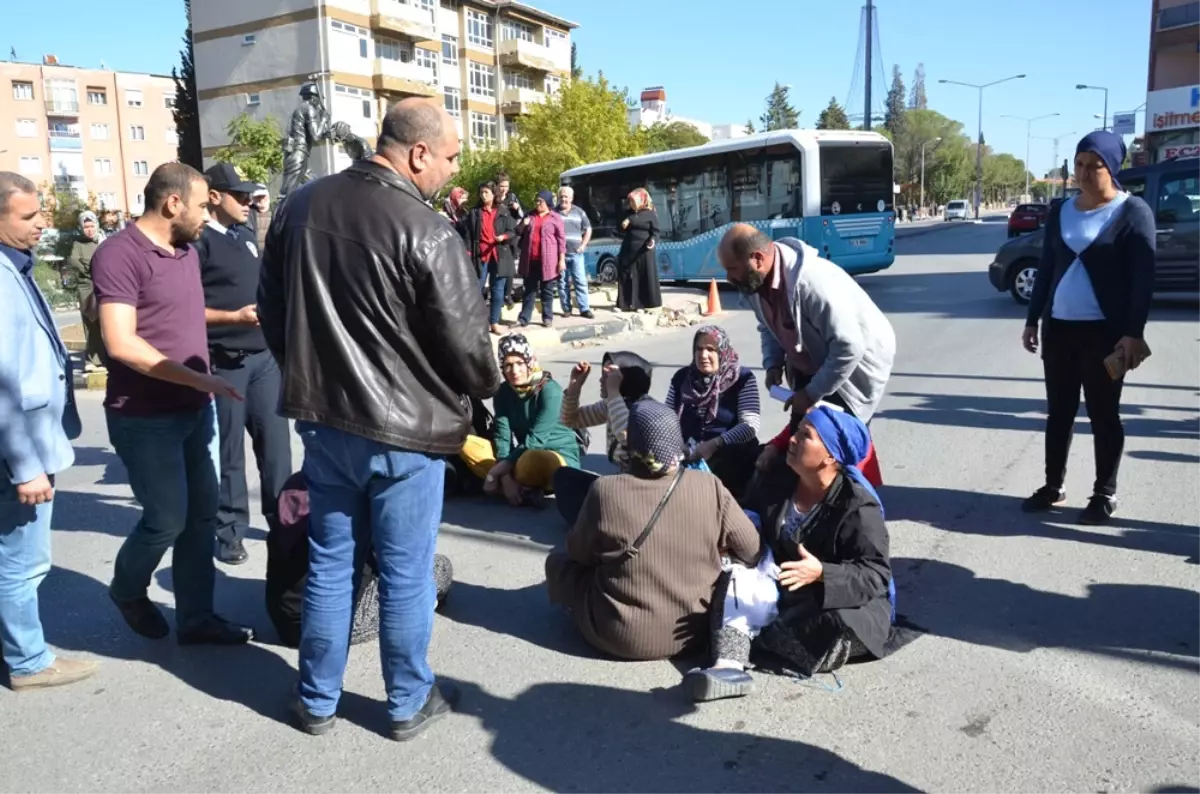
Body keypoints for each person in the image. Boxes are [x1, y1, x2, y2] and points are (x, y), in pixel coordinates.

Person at [259, 98, 501, 740]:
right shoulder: (426, 229)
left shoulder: (299, 208)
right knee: (404, 572)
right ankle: (406, 702)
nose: (452, 170)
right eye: (450, 157)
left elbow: (272, 309)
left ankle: (315, 700)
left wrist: (306, 379)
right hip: (406, 435)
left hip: (325, 425)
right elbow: (469, 343)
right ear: (418, 152)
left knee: (332, 563)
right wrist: (486, 390)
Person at [91, 163, 253, 647]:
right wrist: (196, 377)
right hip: (144, 417)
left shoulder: (183, 252)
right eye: (203, 205)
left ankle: (197, 618)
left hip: (193, 410)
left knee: (201, 519)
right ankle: (126, 588)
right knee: (167, 518)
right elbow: (121, 342)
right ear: (173, 203)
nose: (208, 215)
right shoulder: (118, 255)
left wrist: (233, 316)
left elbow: (181, 311)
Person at [684, 405, 894, 702]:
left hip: (832, 597)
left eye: (805, 435)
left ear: (830, 456)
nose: (792, 439)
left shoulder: (858, 507)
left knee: (831, 626)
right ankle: (728, 669)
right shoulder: (781, 477)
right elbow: (753, 510)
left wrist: (822, 572)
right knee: (739, 576)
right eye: (796, 431)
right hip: (782, 580)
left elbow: (876, 575)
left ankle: (757, 637)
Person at [545, 399, 761, 661]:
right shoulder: (709, 485)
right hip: (692, 635)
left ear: (631, 443)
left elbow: (578, 553)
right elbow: (751, 550)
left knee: (557, 564)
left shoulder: (606, 490)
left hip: (619, 635)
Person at [1021, 131, 1156, 525]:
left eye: (1093, 166)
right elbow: (1046, 268)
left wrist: (1133, 332)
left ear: (1113, 168)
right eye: (1078, 164)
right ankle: (1053, 486)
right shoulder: (1061, 210)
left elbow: (1142, 280)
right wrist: (1033, 320)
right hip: (1060, 330)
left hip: (1106, 335)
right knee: (1058, 413)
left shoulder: (1133, 213)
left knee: (1103, 415)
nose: (1083, 173)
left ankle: (1104, 493)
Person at [0, 172, 94, 691]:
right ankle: (29, 661)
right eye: (29, 217)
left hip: (27, 443)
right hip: (22, 449)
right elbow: (2, 384)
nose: (42, 225)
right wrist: (26, 464)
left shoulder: (15, 267)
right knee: (23, 559)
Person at [717, 224, 895, 468]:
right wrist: (773, 364)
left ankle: (853, 501)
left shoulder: (810, 283)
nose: (728, 278)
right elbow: (769, 326)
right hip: (812, 363)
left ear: (758, 259)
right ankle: (806, 498)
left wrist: (811, 394)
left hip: (853, 369)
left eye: (731, 269)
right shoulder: (754, 282)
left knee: (834, 453)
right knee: (802, 446)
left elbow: (850, 348)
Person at [196, 163, 292, 565]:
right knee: (230, 451)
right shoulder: (199, 244)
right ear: (214, 197)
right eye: (239, 196)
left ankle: (286, 524)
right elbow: (186, 309)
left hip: (264, 358)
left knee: (277, 450)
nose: (247, 202)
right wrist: (233, 319)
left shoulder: (246, 235)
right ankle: (230, 531)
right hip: (226, 361)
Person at [265, 472, 454, 648]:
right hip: (331, 627)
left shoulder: (296, 484)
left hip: (283, 618)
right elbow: (393, 565)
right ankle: (424, 605)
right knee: (440, 567)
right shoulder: (355, 498)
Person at [460, 334, 579, 508]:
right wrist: (506, 477)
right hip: (520, 457)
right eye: (508, 365)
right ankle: (520, 490)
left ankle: (507, 486)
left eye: (519, 364)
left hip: (554, 458)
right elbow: (502, 435)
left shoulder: (550, 390)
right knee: (464, 442)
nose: (514, 371)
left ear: (530, 362)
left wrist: (496, 471)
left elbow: (537, 441)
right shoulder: (503, 393)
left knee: (531, 459)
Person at [553, 350, 654, 525]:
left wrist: (613, 392)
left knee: (602, 492)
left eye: (609, 376)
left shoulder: (647, 409)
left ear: (625, 378)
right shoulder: (612, 404)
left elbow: (626, 436)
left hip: (644, 494)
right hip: (621, 485)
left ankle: (602, 527)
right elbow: (570, 420)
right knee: (564, 478)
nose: (601, 381)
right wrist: (575, 386)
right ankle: (598, 524)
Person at [665, 325, 761, 499]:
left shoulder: (742, 379)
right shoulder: (681, 378)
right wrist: (681, 448)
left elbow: (750, 426)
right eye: (699, 349)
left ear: (722, 351)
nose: (703, 355)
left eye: (711, 349)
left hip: (730, 460)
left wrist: (714, 444)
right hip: (687, 457)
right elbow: (667, 419)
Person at [462, 181, 518, 334]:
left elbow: (513, 231)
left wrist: (504, 237)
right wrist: (468, 252)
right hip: (480, 255)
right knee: (476, 289)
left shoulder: (503, 211)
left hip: (499, 254)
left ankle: (494, 322)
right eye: (481, 192)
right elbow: (467, 235)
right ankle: (478, 322)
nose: (483, 195)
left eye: (486, 192)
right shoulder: (475, 213)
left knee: (498, 290)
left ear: (494, 194)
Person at [64, 210, 106, 370]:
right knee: (90, 324)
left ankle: (106, 358)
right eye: (86, 226)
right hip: (87, 289)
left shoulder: (104, 241)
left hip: (103, 287)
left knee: (106, 324)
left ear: (97, 225)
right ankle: (91, 359)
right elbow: (73, 259)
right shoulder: (78, 244)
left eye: (92, 225)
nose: (89, 229)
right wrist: (88, 267)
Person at [517, 190, 566, 328]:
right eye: (537, 201)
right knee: (529, 290)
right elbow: (518, 231)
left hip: (549, 261)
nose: (538, 203)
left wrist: (561, 260)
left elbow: (562, 241)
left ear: (548, 203)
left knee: (547, 291)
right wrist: (523, 224)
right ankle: (524, 318)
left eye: (541, 201)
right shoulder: (530, 215)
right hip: (530, 260)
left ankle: (547, 317)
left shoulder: (555, 218)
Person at [616, 188, 662, 312]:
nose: (632, 205)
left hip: (644, 249)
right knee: (625, 274)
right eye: (630, 202)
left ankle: (642, 304)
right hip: (628, 248)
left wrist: (652, 240)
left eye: (634, 202)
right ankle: (624, 303)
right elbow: (618, 230)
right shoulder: (628, 213)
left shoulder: (650, 213)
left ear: (642, 201)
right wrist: (624, 224)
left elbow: (656, 232)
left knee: (642, 276)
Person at [556, 185, 593, 318]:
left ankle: (584, 309)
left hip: (576, 253)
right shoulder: (553, 213)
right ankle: (566, 309)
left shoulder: (579, 212)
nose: (563, 199)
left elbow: (588, 228)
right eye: (561, 196)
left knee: (580, 281)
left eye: (566, 196)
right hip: (560, 255)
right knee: (562, 282)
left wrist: (583, 244)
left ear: (571, 198)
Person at [248, 186, 270, 256]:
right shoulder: (248, 213)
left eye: (263, 196)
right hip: (255, 254)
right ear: (253, 199)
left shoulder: (276, 212)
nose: (261, 199)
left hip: (272, 254)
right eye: (258, 197)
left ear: (268, 197)